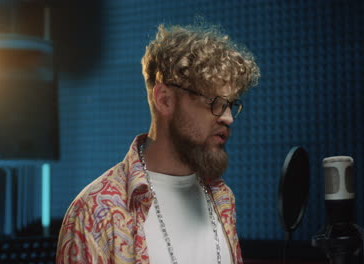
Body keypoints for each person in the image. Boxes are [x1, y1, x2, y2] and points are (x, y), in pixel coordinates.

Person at [56, 23, 260, 264]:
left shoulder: (223, 198)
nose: (227, 117)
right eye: (214, 102)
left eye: (230, 104)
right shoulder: (95, 212)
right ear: (164, 100)